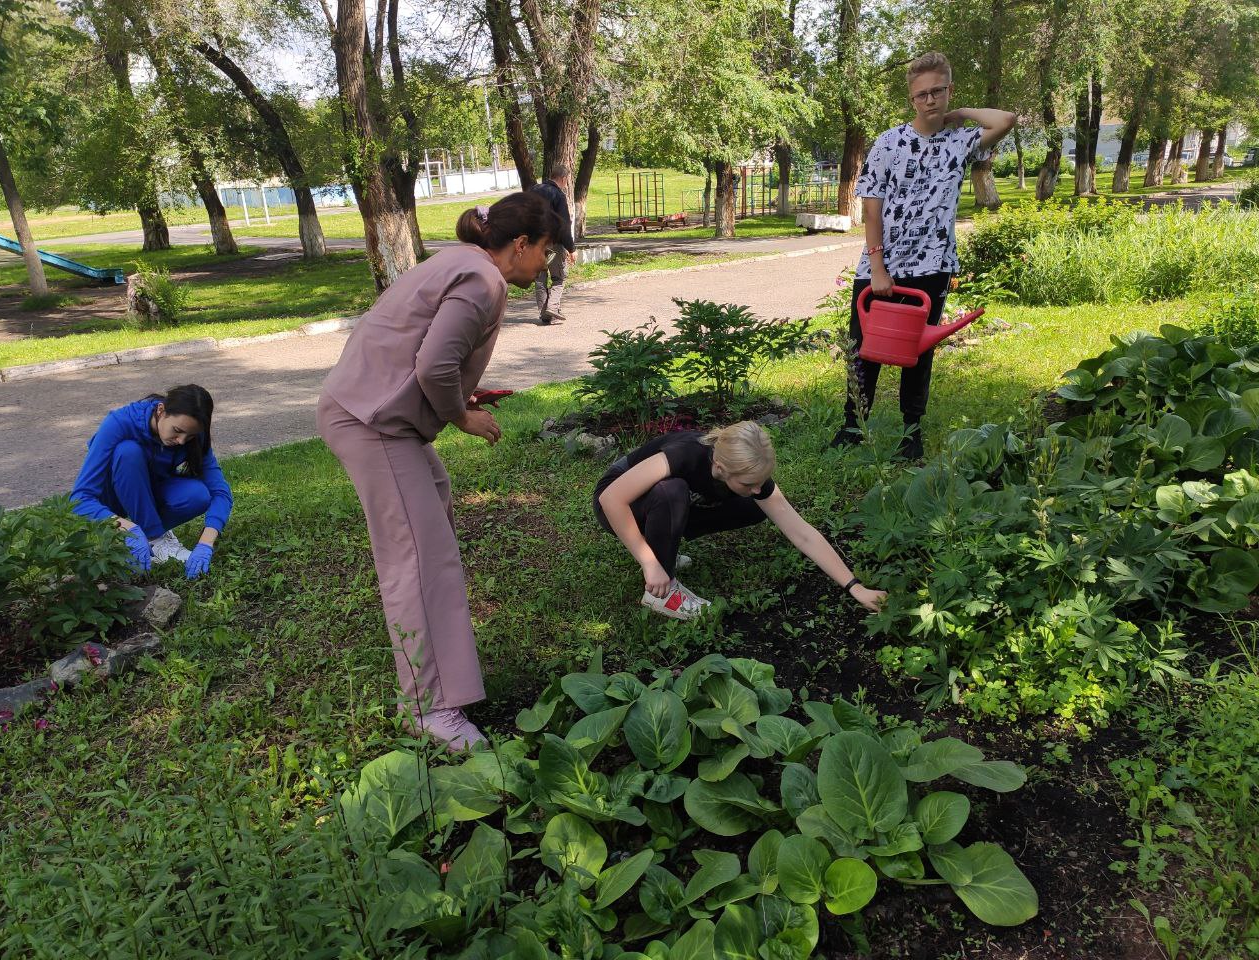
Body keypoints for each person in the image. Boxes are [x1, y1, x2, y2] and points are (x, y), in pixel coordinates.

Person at [317, 191, 561, 752]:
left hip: (375, 413)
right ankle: (429, 710)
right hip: (372, 422)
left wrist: (462, 393)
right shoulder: (484, 280)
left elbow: (419, 349)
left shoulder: (462, 260)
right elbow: (432, 364)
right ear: (520, 244)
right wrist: (461, 415)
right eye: (545, 250)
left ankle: (441, 681)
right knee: (418, 559)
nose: (546, 264)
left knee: (435, 524)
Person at [832, 51, 1017, 460]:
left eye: (937, 91)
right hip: (883, 265)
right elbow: (871, 205)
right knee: (864, 346)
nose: (929, 100)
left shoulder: (961, 142)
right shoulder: (889, 142)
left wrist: (960, 114)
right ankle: (852, 426)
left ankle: (910, 433)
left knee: (918, 351)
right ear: (911, 99)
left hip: (933, 265)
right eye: (921, 94)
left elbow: (1005, 120)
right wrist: (877, 266)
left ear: (948, 91)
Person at [594, 421, 887, 620]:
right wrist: (650, 563)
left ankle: (663, 543)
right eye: (749, 483)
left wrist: (856, 588)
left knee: (755, 507)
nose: (757, 489)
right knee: (672, 492)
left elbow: (802, 533)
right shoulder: (685, 455)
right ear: (720, 467)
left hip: (669, 502)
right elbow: (611, 499)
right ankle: (661, 589)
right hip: (619, 498)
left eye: (760, 481)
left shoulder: (748, 477)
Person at [69, 384, 231, 580]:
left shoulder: (193, 433)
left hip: (149, 492)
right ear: (161, 410)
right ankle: (148, 535)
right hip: (112, 500)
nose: (181, 441)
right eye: (177, 431)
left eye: (190, 436)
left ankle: (151, 537)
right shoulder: (119, 423)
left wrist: (205, 544)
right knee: (128, 452)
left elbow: (220, 492)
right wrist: (127, 528)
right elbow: (80, 498)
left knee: (197, 495)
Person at [530, 164, 577, 325]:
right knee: (559, 278)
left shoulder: (533, 191)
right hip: (553, 244)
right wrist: (571, 249)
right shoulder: (558, 195)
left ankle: (544, 314)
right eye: (567, 181)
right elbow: (564, 225)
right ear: (563, 179)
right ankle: (553, 307)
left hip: (534, 244)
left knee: (540, 279)